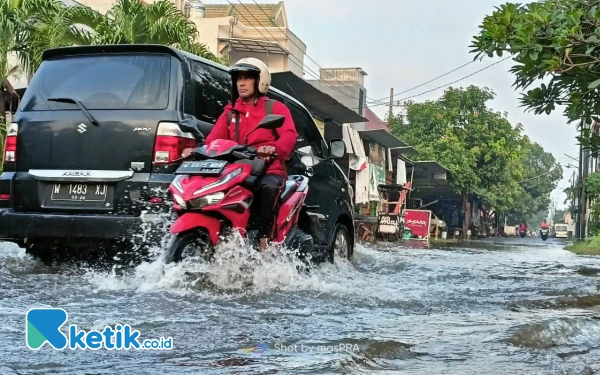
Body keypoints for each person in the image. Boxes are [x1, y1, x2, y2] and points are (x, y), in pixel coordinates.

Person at [182, 57, 298, 251]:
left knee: (268, 188)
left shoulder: (274, 108)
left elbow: (289, 134)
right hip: (236, 168)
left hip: (268, 168)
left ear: (259, 81)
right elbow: (213, 140)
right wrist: (196, 150)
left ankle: (264, 240)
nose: (242, 83)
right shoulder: (230, 112)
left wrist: (274, 148)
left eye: (247, 78)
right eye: (238, 79)